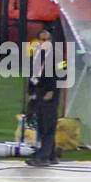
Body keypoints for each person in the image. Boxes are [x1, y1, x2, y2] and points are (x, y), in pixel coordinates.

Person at [25, 27, 61, 166]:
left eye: (46, 40)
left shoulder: (56, 55)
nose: (44, 42)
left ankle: (43, 157)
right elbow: (33, 74)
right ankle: (51, 154)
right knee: (40, 123)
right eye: (41, 40)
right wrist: (31, 92)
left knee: (48, 124)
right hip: (38, 91)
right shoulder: (36, 54)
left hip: (49, 92)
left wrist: (52, 90)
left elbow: (60, 74)